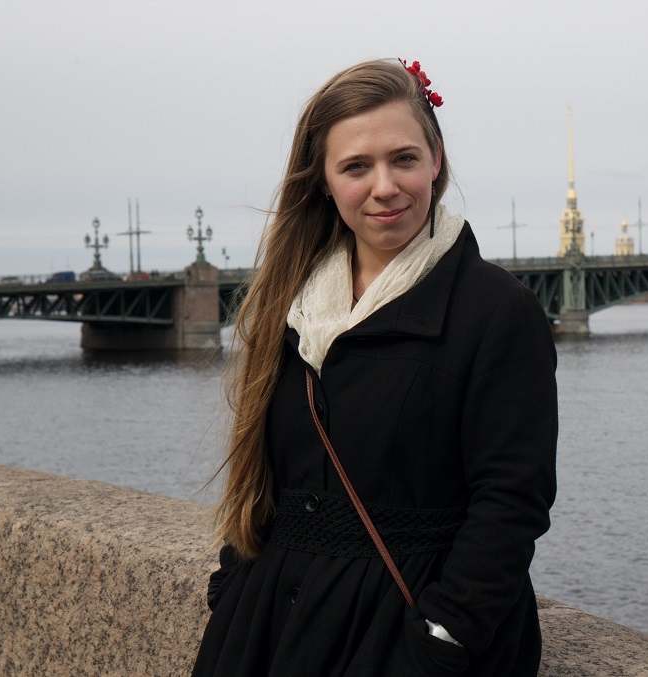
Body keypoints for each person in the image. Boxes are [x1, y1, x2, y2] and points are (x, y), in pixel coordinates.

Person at [192, 58, 558, 676]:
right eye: (356, 167)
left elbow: (512, 501)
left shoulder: (498, 311)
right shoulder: (292, 301)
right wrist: (234, 584)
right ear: (323, 181)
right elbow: (270, 473)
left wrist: (444, 635)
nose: (385, 186)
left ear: (436, 160)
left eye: (404, 159)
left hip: (405, 634)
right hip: (271, 623)